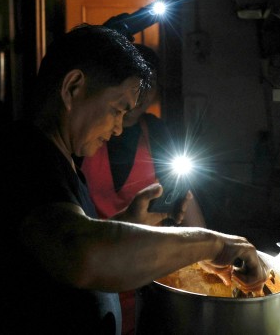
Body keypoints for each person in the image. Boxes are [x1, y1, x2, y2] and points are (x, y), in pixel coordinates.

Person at [0, 24, 268, 335]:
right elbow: (78, 251)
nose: (119, 128)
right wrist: (214, 244)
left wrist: (126, 223)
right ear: (73, 87)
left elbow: (54, 246)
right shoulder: (23, 153)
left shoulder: (63, 163)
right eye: (118, 110)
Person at [79, 43, 206, 335]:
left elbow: (188, 206)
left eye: (152, 84)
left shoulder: (159, 134)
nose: (142, 95)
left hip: (143, 279)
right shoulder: (86, 135)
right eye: (139, 84)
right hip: (92, 268)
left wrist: (207, 248)